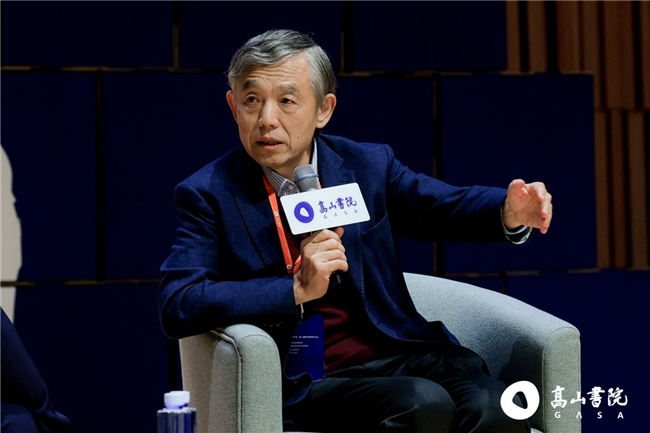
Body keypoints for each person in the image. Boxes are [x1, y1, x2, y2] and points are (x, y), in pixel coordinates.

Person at [158, 29, 552, 433]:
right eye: (252, 100)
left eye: (287, 101)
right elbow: (180, 301)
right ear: (233, 106)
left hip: (397, 350)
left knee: (496, 407)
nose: (266, 119)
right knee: (422, 403)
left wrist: (507, 211)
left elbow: (440, 207)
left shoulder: (366, 166)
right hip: (307, 377)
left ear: (323, 109)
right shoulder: (210, 193)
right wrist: (294, 289)